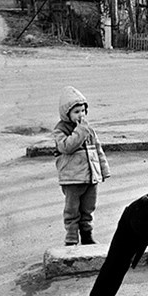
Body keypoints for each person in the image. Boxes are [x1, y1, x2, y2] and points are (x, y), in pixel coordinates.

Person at [54, 86, 110, 246]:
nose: (81, 115)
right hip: (72, 179)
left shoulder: (88, 129)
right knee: (72, 211)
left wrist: (103, 170)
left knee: (88, 209)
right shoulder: (60, 130)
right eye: (76, 112)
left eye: (82, 111)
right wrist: (80, 131)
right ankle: (71, 238)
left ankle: (87, 235)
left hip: (91, 177)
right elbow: (66, 147)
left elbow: (98, 150)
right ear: (67, 113)